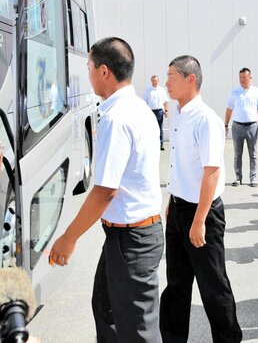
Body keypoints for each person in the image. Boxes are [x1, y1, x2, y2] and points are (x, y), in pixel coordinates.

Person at [49, 37, 164, 342]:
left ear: (103, 71)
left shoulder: (117, 117)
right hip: (127, 236)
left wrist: (68, 238)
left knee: (138, 330)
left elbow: (105, 191)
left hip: (133, 239)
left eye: (88, 67)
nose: (87, 74)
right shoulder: (138, 108)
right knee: (106, 308)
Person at [160, 55, 242, 342]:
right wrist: (172, 201)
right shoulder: (180, 114)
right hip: (179, 209)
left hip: (202, 212)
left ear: (190, 78)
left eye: (171, 76)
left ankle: (228, 338)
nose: (167, 82)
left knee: (213, 284)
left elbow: (211, 172)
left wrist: (199, 220)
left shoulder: (206, 118)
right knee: (176, 284)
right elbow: (180, 166)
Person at [224, 68, 258, 187]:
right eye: (240, 77)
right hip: (237, 126)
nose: (242, 80)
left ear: (250, 78)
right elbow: (229, 109)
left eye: (244, 77)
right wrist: (226, 124)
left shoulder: (257, 92)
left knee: (253, 154)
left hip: (252, 126)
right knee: (238, 154)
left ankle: (253, 178)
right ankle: (238, 178)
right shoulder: (234, 92)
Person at [143, 74, 169, 150]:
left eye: (156, 81)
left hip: (159, 111)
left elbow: (166, 101)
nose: (155, 82)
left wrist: (166, 111)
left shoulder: (162, 90)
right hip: (150, 112)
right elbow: (144, 102)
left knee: (160, 128)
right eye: (153, 81)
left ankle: (161, 145)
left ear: (158, 81)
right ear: (151, 81)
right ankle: (151, 144)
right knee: (151, 128)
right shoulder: (148, 91)